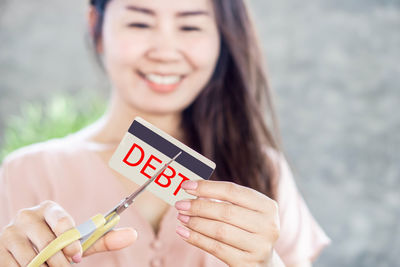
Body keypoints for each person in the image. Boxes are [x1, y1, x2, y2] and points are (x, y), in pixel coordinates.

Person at [0, 0, 331, 266]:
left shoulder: (263, 170)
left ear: (223, 36)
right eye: (140, 23)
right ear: (96, 28)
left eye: (190, 25)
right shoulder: (26, 173)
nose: (165, 50)